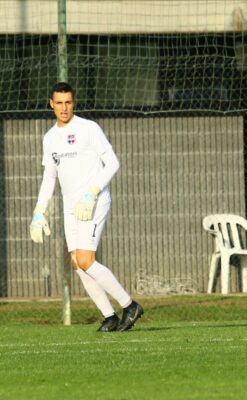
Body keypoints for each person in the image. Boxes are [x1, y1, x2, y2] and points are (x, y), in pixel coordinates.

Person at [29, 82, 144, 332]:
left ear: (74, 103)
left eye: (68, 102)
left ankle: (130, 306)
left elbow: (112, 163)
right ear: (51, 104)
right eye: (59, 103)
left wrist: (91, 193)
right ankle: (110, 316)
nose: (64, 107)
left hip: (93, 202)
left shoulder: (89, 128)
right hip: (71, 207)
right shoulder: (49, 138)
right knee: (77, 263)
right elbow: (49, 178)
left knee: (86, 259)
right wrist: (39, 212)